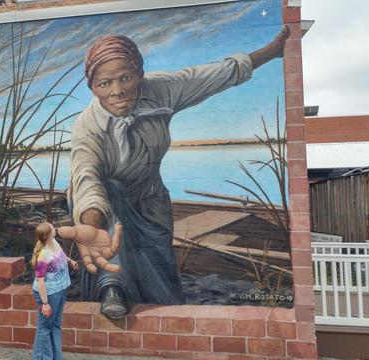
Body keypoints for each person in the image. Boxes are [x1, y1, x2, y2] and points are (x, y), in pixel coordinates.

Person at [68, 27, 290, 318]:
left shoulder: (160, 89)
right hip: (103, 204)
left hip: (150, 198)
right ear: (93, 88)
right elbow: (86, 178)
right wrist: (92, 226)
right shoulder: (87, 127)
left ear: (139, 73)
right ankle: (112, 289)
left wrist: (270, 53)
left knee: (164, 292)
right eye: (104, 83)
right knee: (111, 193)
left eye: (126, 78)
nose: (117, 91)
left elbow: (211, 76)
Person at [31, 221, 121, 359]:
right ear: (49, 235)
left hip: (60, 290)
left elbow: (60, 253)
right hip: (49, 294)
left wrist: (69, 260)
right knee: (45, 328)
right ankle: (41, 357)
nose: (54, 228)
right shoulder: (43, 256)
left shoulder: (54, 242)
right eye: (51, 228)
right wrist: (45, 303)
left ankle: (56, 357)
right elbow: (40, 280)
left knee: (55, 325)